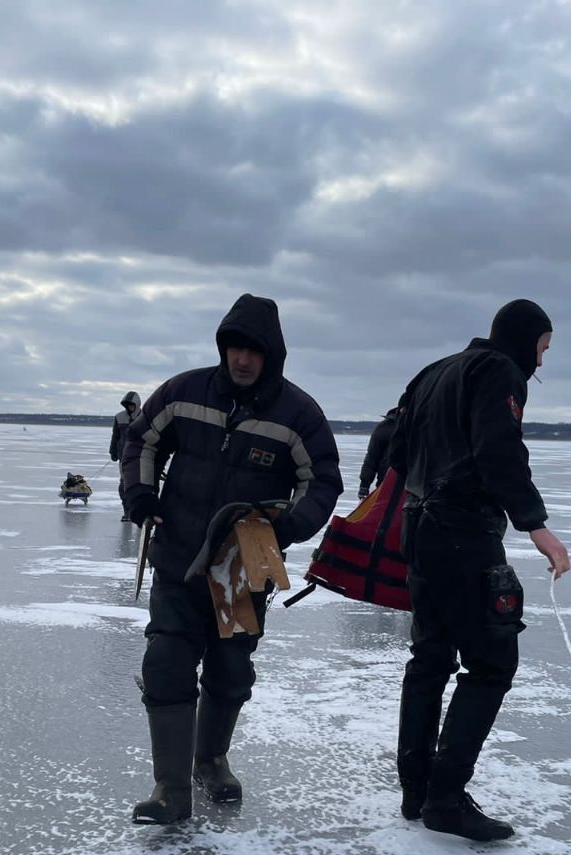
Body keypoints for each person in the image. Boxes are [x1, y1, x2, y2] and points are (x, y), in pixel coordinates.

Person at [121, 293, 343, 825]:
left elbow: (322, 480)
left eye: (253, 350)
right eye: (234, 348)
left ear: (272, 354)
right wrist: (141, 495)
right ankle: (170, 789)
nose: (242, 359)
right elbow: (141, 442)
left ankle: (211, 761)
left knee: (230, 669)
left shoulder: (298, 414)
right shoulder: (184, 392)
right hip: (178, 557)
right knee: (166, 662)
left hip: (243, 569)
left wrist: (287, 527)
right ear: (222, 347)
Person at [389, 298, 571, 841]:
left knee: (430, 658)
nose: (541, 362)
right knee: (491, 664)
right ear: (524, 339)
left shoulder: (434, 371)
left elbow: (398, 451)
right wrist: (536, 525)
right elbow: (499, 450)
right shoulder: (499, 370)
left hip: (419, 528)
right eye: (542, 348)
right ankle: (445, 798)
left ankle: (417, 790)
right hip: (463, 532)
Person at [357, 401, 402, 499]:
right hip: (386, 484)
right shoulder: (385, 427)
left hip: (416, 488)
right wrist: (364, 485)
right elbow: (372, 457)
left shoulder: (421, 426)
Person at [109, 390, 141, 520]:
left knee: (139, 486)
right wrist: (112, 451)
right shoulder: (119, 417)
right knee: (123, 485)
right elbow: (115, 436)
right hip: (124, 457)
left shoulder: (144, 417)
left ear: (137, 405)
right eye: (128, 405)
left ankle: (139, 511)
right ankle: (127, 511)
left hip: (140, 458)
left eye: (132, 405)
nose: (130, 408)